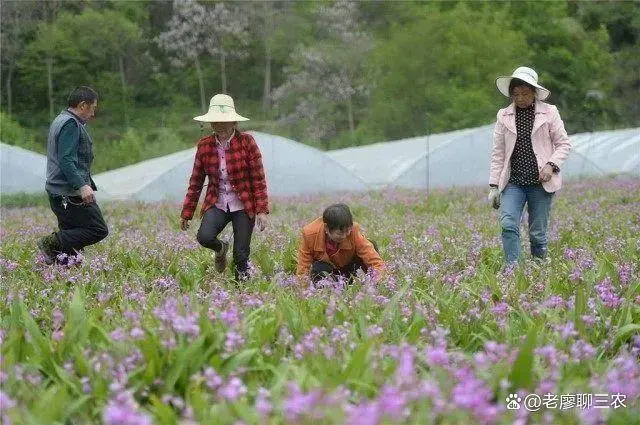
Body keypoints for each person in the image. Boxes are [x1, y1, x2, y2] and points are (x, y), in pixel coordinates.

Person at [180, 94, 269, 281]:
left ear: (234, 122)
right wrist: (186, 213)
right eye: (215, 121)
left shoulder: (247, 142)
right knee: (204, 237)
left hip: (244, 205)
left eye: (223, 121)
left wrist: (261, 210)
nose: (218, 124)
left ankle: (241, 292)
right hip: (217, 202)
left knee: (241, 255)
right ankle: (221, 249)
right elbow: (196, 181)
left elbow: (258, 178)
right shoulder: (204, 146)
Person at [489, 66, 571, 264]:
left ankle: (538, 269)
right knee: (508, 224)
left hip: (540, 182)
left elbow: (563, 144)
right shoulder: (504, 116)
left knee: (537, 233)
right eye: (515, 94)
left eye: (525, 93)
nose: (520, 98)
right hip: (513, 182)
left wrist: (551, 166)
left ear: (534, 92)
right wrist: (493, 186)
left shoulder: (549, 112)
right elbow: (498, 153)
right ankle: (512, 270)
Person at [37, 86, 108, 265]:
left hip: (58, 191)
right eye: (93, 108)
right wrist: (82, 185)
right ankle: (51, 243)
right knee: (97, 229)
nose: (93, 114)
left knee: (73, 235)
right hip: (68, 192)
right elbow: (66, 160)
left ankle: (62, 270)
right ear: (83, 105)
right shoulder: (70, 124)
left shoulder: (60, 119)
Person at [297, 203, 384, 283]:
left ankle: (353, 283)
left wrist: (378, 281)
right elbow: (303, 267)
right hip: (327, 271)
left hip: (349, 268)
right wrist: (303, 291)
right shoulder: (309, 234)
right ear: (327, 228)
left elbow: (374, 260)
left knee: (371, 244)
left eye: (347, 231)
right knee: (319, 269)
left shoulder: (353, 231)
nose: (344, 236)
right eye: (340, 233)